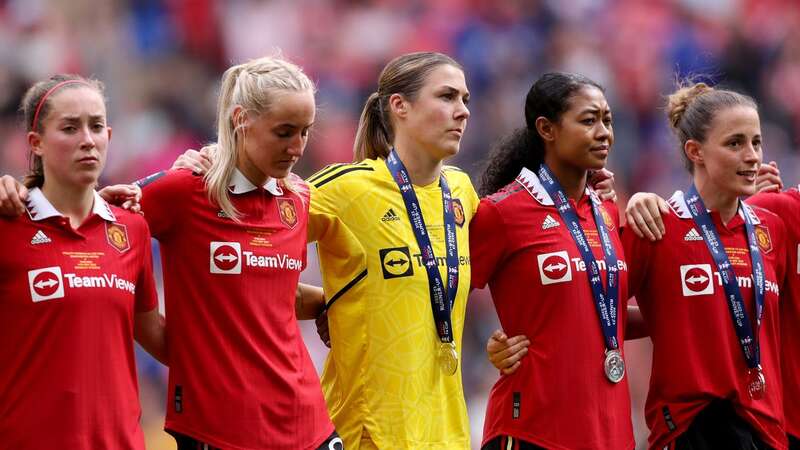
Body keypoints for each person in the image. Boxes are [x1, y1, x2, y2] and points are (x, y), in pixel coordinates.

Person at [469, 72, 635, 450]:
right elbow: (444, 292)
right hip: (532, 429)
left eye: (607, 120)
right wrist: (486, 344)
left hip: (608, 433)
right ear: (546, 128)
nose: (604, 132)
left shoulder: (608, 210)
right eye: (589, 120)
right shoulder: (503, 212)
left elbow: (608, 316)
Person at [0, 74, 165, 449]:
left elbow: (156, 335)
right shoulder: (8, 224)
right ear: (35, 143)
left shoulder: (132, 229)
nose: (87, 140)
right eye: (70, 128)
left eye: (96, 127)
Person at [622, 83, 788, 449]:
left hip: (765, 428)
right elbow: (597, 308)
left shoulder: (771, 229)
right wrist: (519, 339)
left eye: (756, 143)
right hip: (689, 428)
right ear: (695, 151)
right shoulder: (656, 225)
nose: (751, 156)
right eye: (735, 143)